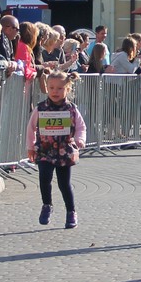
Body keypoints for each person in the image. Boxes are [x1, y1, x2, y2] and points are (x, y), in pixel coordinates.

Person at [25, 69, 86, 228]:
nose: (55, 92)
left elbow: (81, 126)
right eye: (51, 88)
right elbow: (31, 128)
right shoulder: (41, 108)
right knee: (44, 179)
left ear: (68, 89)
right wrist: (30, 147)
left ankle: (71, 212)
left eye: (59, 88)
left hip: (64, 151)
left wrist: (80, 139)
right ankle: (47, 205)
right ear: (46, 87)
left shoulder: (71, 108)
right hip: (45, 150)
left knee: (64, 183)